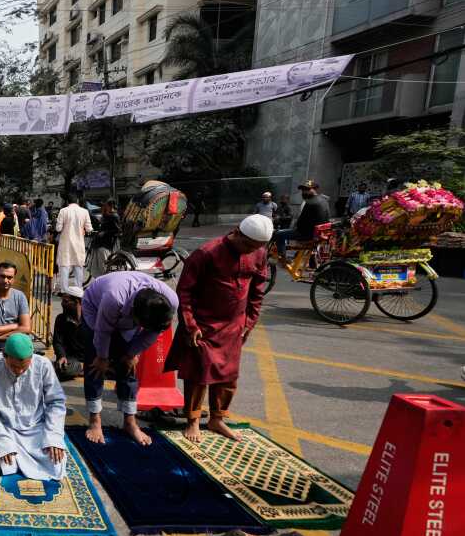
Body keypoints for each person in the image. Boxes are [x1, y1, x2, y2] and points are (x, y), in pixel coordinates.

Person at [167, 215, 271, 443]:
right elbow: (184, 292)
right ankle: (192, 420)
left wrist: (249, 322)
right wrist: (190, 325)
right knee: (199, 373)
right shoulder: (207, 253)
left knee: (228, 375)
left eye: (255, 247)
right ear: (237, 232)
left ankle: (217, 419)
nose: (250, 250)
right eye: (247, 245)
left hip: (235, 325)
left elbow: (257, 290)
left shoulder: (259, 253)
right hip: (203, 325)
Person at [80, 272, 178, 446]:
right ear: (134, 314)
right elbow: (102, 332)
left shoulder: (169, 301)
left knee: (128, 367)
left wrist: (132, 353)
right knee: (95, 366)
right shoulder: (114, 297)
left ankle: (130, 422)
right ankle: (95, 420)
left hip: (129, 321)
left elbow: (153, 333)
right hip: (95, 309)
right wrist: (102, 357)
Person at [0, 333, 67, 481]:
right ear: (4, 355)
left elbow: (56, 402)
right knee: (7, 464)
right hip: (3, 428)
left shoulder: (43, 364)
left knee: (56, 463)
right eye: (15, 366)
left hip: (36, 427)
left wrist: (53, 437)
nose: (20, 371)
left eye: (24, 367)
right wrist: (1, 440)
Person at [274, 180, 331, 261]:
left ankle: (282, 258)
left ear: (314, 189)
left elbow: (301, 222)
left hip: (308, 234)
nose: (304, 192)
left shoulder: (310, 202)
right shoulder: (324, 200)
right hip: (319, 233)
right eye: (303, 190)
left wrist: (295, 228)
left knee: (278, 234)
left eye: (307, 189)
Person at [55, 194, 92, 292]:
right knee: (78, 265)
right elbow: (89, 228)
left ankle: (64, 290)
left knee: (64, 266)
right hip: (79, 243)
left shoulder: (63, 211)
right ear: (77, 201)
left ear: (67, 202)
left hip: (65, 243)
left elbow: (58, 228)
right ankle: (78, 289)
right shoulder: (84, 212)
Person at [52, 286, 87, 381]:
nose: (62, 304)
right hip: (72, 360)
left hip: (90, 360)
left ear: (77, 302)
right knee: (63, 369)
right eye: (62, 301)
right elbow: (57, 342)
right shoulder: (60, 319)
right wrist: (62, 356)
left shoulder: (90, 319)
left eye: (66, 301)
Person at [88, 200, 120, 278]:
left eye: (107, 206)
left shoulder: (114, 216)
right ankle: (98, 276)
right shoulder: (106, 216)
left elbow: (118, 230)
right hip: (101, 241)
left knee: (101, 255)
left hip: (107, 242)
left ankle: (104, 276)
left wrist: (105, 232)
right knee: (96, 252)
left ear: (110, 206)